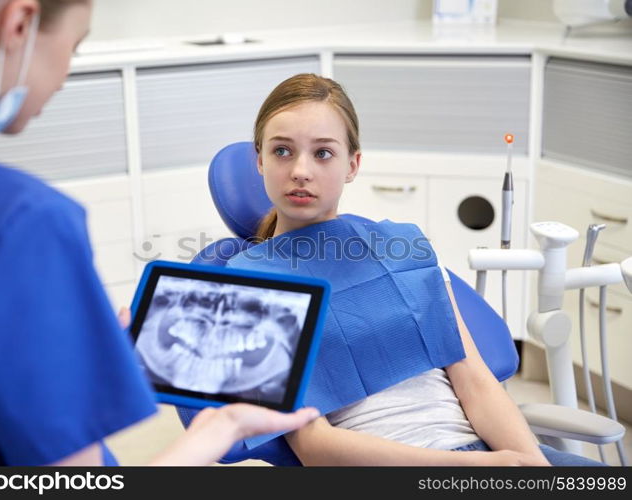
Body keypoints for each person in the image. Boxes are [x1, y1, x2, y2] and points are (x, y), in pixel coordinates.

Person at [0, 0, 318, 466]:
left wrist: (57, 352)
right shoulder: (20, 222)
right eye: (74, 46)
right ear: (19, 24)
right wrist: (218, 432)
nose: (62, 77)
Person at [230, 73, 605, 466]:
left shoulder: (404, 249)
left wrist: (532, 465)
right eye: (282, 151)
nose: (300, 170)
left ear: (352, 164)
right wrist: (477, 467)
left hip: (485, 450)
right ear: (259, 160)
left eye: (323, 153)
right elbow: (313, 446)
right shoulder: (247, 285)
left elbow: (475, 383)